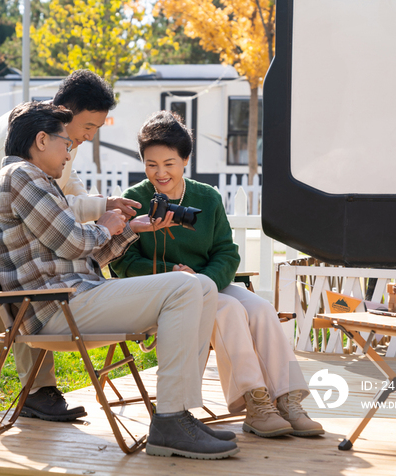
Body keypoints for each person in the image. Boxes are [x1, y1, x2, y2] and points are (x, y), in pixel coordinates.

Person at [0, 101, 239, 459]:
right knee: (184, 286)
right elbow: (73, 240)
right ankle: (170, 420)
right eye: (65, 143)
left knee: (202, 285)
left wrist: (130, 229)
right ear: (41, 140)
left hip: (74, 297)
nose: (69, 153)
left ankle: (178, 413)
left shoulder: (35, 181)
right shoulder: (21, 177)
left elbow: (81, 255)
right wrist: (104, 225)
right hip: (56, 308)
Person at [0, 70, 140, 421]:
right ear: (67, 111)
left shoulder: (58, 136)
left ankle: (35, 393)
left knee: (25, 300)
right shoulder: (24, 134)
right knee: (6, 311)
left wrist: (104, 203)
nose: (89, 137)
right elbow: (37, 202)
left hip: (3, 226)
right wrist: (100, 212)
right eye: (88, 127)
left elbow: (64, 188)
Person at [111, 111, 324, 438]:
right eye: (152, 164)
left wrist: (204, 281)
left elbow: (226, 251)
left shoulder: (206, 197)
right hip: (159, 294)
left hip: (208, 282)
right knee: (228, 309)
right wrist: (174, 274)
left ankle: (287, 399)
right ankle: (256, 403)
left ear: (185, 160)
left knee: (262, 308)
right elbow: (122, 263)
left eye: (169, 163)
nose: (160, 172)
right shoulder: (134, 200)